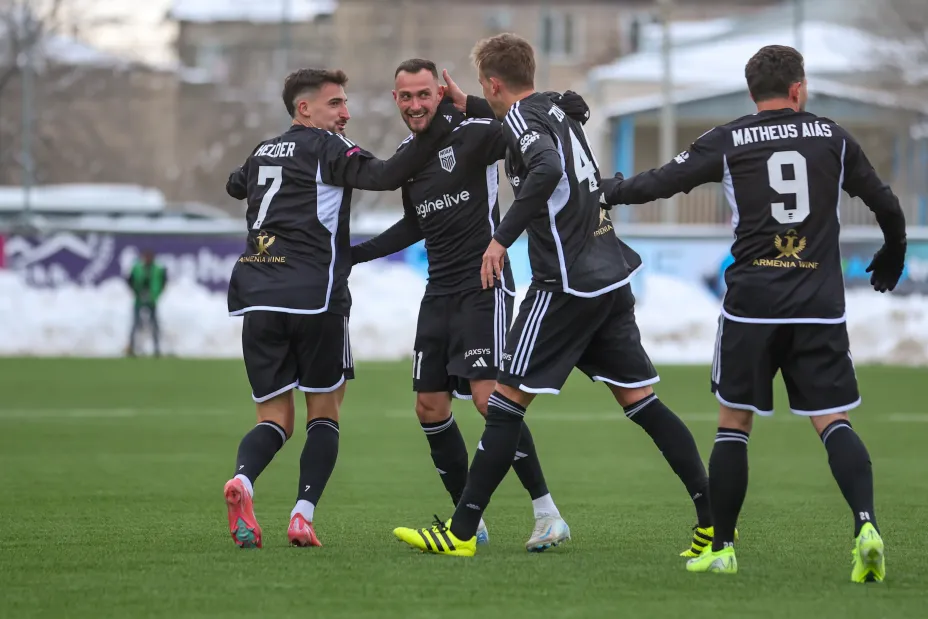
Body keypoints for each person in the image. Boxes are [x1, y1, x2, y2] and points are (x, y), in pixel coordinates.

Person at [392, 33, 712, 557]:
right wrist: (468, 104)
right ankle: (713, 522)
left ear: (494, 83)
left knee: (503, 404)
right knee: (642, 402)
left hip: (565, 285)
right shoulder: (554, 110)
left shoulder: (524, 119)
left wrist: (501, 239)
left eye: (483, 87)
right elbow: (527, 133)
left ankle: (462, 532)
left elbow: (545, 167)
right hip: (609, 276)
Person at [598, 45, 905, 581]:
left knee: (734, 424)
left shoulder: (729, 139)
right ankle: (866, 526)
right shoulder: (832, 137)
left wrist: (609, 191)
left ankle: (721, 548)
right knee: (832, 420)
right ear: (798, 89)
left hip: (752, 309)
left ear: (751, 91)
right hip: (818, 306)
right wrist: (894, 249)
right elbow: (886, 203)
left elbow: (663, 182)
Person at [351, 59, 590, 551]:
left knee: (489, 400)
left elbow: (525, 127)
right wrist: (356, 255)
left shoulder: (478, 132)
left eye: (424, 94)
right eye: (406, 96)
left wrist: (558, 105)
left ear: (440, 94)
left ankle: (548, 515)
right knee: (429, 406)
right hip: (438, 291)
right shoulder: (407, 156)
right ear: (395, 100)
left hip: (485, 285)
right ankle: (469, 522)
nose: (415, 104)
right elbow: (415, 224)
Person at [222, 68, 451, 549]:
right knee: (324, 414)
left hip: (257, 296)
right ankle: (302, 515)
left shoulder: (263, 150)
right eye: (335, 104)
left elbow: (235, 185)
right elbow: (385, 175)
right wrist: (435, 128)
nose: (345, 113)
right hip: (315, 300)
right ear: (304, 108)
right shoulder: (328, 148)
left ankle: (243, 480)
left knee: (273, 419)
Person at [126, 250, 166, 357]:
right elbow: (130, 280)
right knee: (136, 324)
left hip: (152, 299)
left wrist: (157, 294)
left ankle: (156, 349)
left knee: (154, 325)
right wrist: (135, 292)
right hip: (139, 299)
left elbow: (163, 281)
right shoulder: (137, 268)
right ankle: (132, 347)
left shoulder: (157, 269)